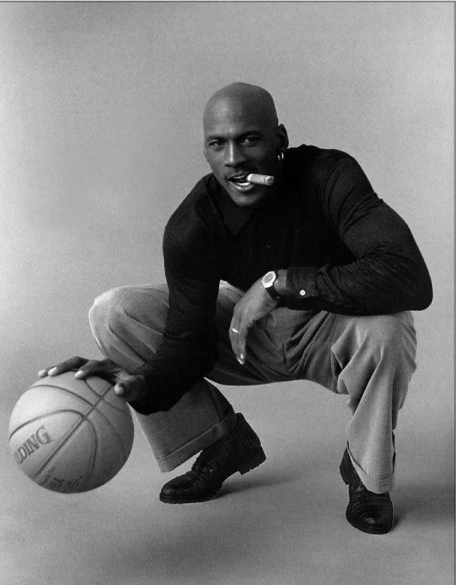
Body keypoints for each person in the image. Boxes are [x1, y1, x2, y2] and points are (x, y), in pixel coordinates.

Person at [39, 82, 432, 534]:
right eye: (217, 144)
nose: (234, 160)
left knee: (389, 329)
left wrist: (279, 284)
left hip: (334, 328)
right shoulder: (193, 224)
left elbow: (410, 277)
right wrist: (142, 383)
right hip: (246, 335)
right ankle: (222, 443)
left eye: (249, 140)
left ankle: (367, 472)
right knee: (114, 311)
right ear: (205, 152)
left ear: (280, 140)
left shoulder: (329, 175)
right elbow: (186, 346)